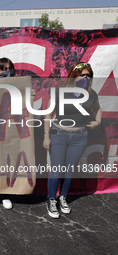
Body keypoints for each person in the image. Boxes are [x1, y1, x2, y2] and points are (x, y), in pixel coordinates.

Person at [43, 62, 102, 219]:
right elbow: (48, 114)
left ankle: (62, 197)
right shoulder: (60, 91)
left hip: (80, 137)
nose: (85, 78)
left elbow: (97, 109)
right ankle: (51, 200)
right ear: (73, 75)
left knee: (69, 170)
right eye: (82, 74)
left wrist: (97, 122)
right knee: (56, 170)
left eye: (88, 75)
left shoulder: (91, 94)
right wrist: (46, 136)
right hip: (59, 135)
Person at [0, 57, 36, 210]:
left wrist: (30, 95)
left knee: (8, 161)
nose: (7, 72)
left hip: (12, 130)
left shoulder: (19, 86)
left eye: (9, 69)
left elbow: (25, 107)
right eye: (3, 69)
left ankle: (6, 193)